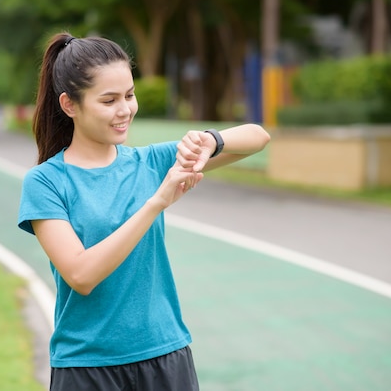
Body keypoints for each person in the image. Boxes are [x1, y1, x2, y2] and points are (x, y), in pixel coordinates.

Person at [18, 32, 271, 391]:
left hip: (166, 356)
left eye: (129, 95)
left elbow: (258, 137)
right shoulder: (45, 182)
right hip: (87, 367)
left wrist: (212, 141)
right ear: (70, 104)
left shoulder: (151, 162)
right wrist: (156, 203)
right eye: (109, 100)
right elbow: (81, 274)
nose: (125, 110)